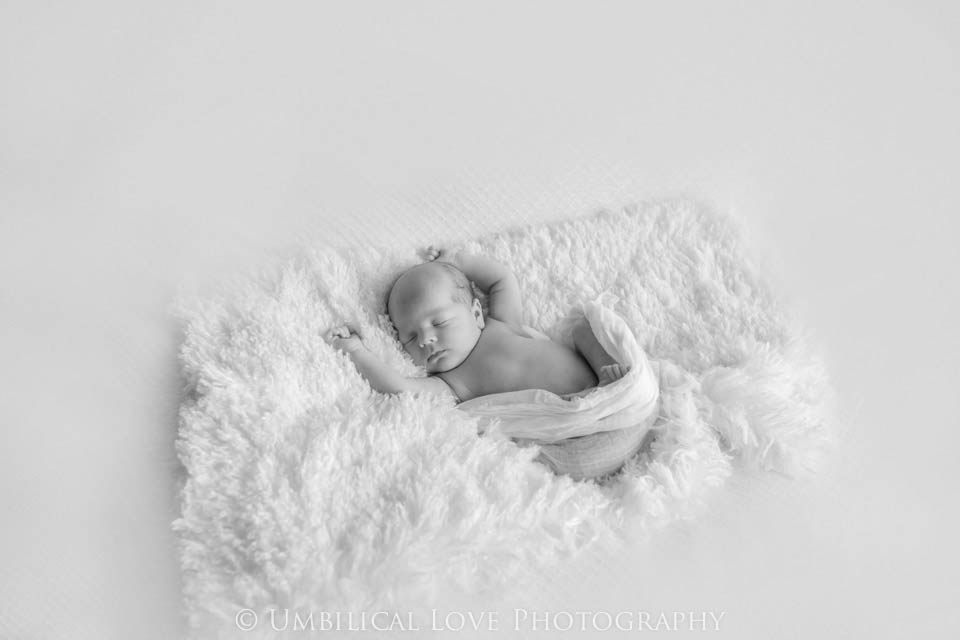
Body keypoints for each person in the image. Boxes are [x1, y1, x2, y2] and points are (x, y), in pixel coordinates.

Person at [325, 247, 631, 403]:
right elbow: (398, 387)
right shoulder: (452, 383)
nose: (426, 339)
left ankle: (612, 380)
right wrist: (354, 349)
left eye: (440, 322)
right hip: (565, 423)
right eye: (409, 337)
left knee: (586, 327)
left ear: (475, 314)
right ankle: (605, 397)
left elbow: (501, 279)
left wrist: (456, 263)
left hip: (604, 393)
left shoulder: (503, 323)